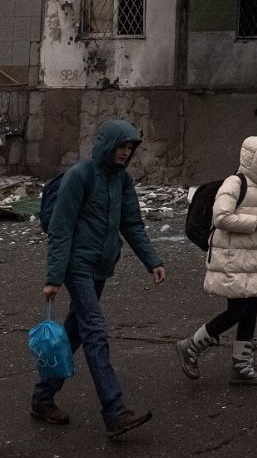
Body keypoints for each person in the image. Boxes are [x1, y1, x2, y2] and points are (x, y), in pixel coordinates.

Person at [33, 118, 164, 439]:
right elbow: (61, 229)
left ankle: (42, 398)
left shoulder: (123, 181)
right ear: (107, 144)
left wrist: (152, 261)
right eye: (121, 146)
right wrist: (54, 278)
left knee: (75, 332)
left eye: (130, 148)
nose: (125, 153)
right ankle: (114, 410)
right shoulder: (80, 176)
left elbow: (132, 225)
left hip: (102, 267)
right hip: (77, 267)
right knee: (95, 333)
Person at [174, 136, 257, 385]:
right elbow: (222, 218)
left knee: (251, 308)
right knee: (238, 310)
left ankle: (242, 367)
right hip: (232, 258)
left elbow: (250, 220)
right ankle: (191, 346)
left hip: (250, 259)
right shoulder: (234, 183)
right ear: (250, 158)